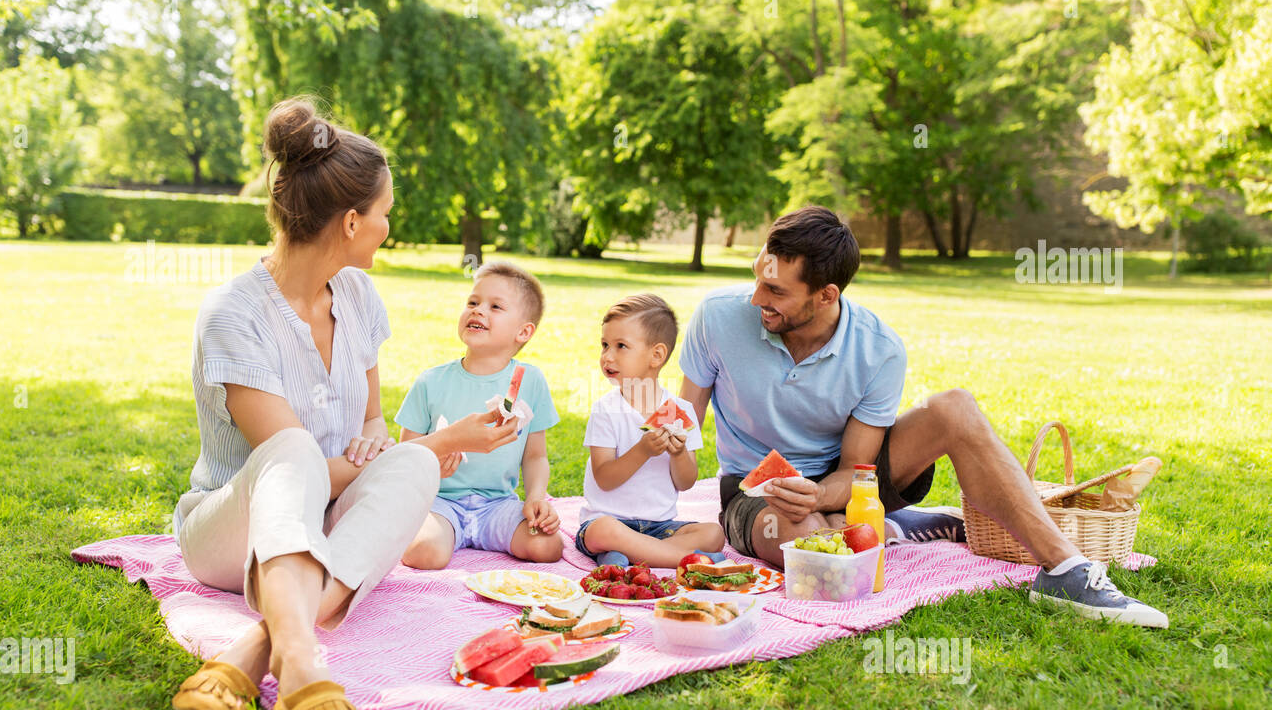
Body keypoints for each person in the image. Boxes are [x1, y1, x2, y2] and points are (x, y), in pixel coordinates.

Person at [170, 98, 519, 710]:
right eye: (384, 213)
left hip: (326, 526)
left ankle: (256, 647)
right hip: (231, 534)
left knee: (414, 468)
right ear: (353, 221)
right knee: (300, 447)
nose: (389, 226)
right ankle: (301, 666)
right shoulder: (234, 316)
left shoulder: (358, 298)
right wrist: (443, 443)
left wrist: (401, 450)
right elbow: (291, 465)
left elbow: (370, 425)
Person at [678, 205, 1168, 628]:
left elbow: (857, 469)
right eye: (758, 277)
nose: (757, 299)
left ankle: (1064, 570)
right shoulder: (717, 317)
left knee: (955, 407)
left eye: (777, 292)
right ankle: (896, 528)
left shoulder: (878, 349)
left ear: (827, 295)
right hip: (751, 489)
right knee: (817, 557)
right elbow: (682, 426)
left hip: (846, 481)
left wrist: (822, 494)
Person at [394, 261, 563, 569]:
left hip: (498, 506)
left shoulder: (531, 381)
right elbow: (405, 456)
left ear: (524, 332)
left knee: (548, 546)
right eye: (473, 302)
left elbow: (535, 456)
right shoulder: (430, 382)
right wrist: (436, 458)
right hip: (440, 503)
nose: (478, 310)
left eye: (495, 306)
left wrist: (536, 497)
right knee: (425, 553)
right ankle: (429, 532)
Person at [573, 294, 725, 569]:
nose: (607, 356)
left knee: (713, 534)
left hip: (659, 526)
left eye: (621, 346)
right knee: (603, 531)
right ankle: (687, 560)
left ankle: (626, 556)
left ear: (656, 355)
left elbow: (686, 482)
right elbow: (605, 479)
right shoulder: (606, 409)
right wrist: (642, 450)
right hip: (609, 521)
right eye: (604, 345)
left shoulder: (677, 410)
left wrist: (679, 454)